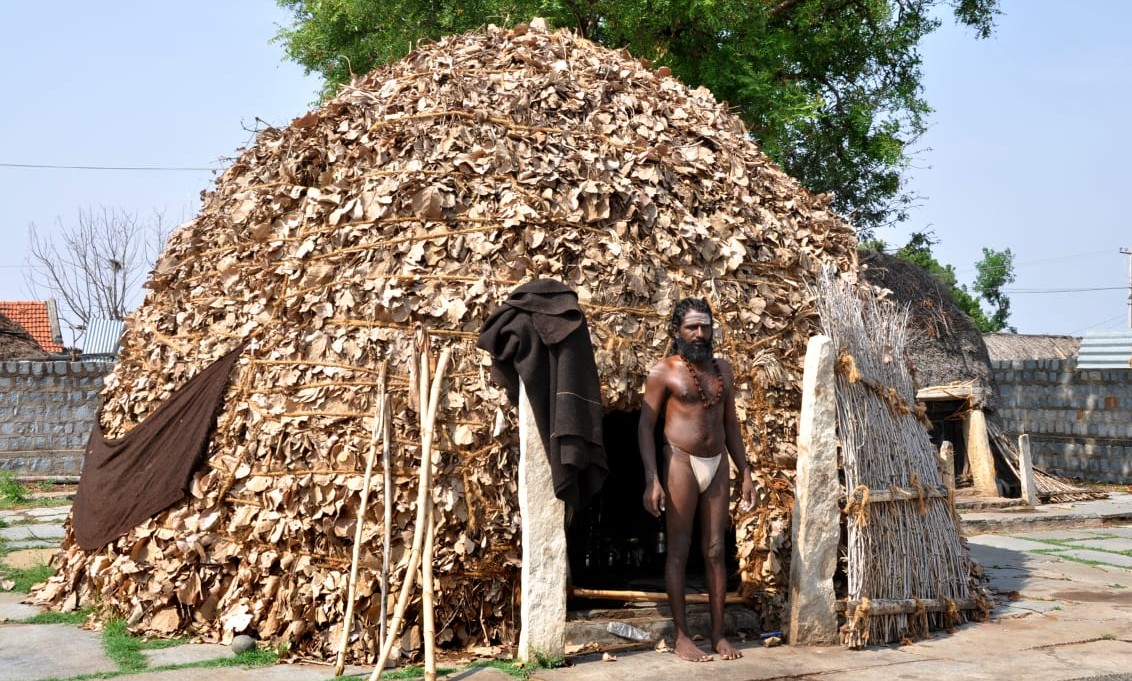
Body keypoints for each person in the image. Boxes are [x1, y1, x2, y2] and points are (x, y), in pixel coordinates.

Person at [638, 297, 756, 662]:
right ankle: (682, 636)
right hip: (680, 461)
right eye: (692, 327)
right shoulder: (664, 371)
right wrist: (651, 479)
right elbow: (645, 426)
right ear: (678, 331)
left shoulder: (723, 370)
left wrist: (746, 472)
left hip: (717, 462)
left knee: (717, 550)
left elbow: (731, 425)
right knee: (678, 548)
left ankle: (718, 634)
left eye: (705, 326)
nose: (700, 333)